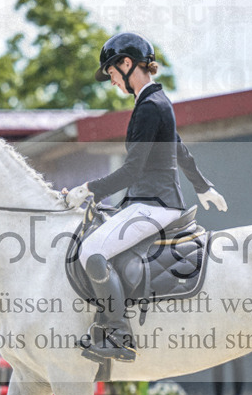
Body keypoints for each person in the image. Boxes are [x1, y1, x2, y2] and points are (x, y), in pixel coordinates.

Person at [64, 32, 228, 363]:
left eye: (111, 74)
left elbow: (132, 171)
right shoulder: (155, 103)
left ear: (126, 64)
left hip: (155, 204)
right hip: (151, 201)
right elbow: (179, 149)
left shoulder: (150, 107)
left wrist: (88, 189)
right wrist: (203, 186)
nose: (112, 83)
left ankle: (118, 333)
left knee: (92, 251)